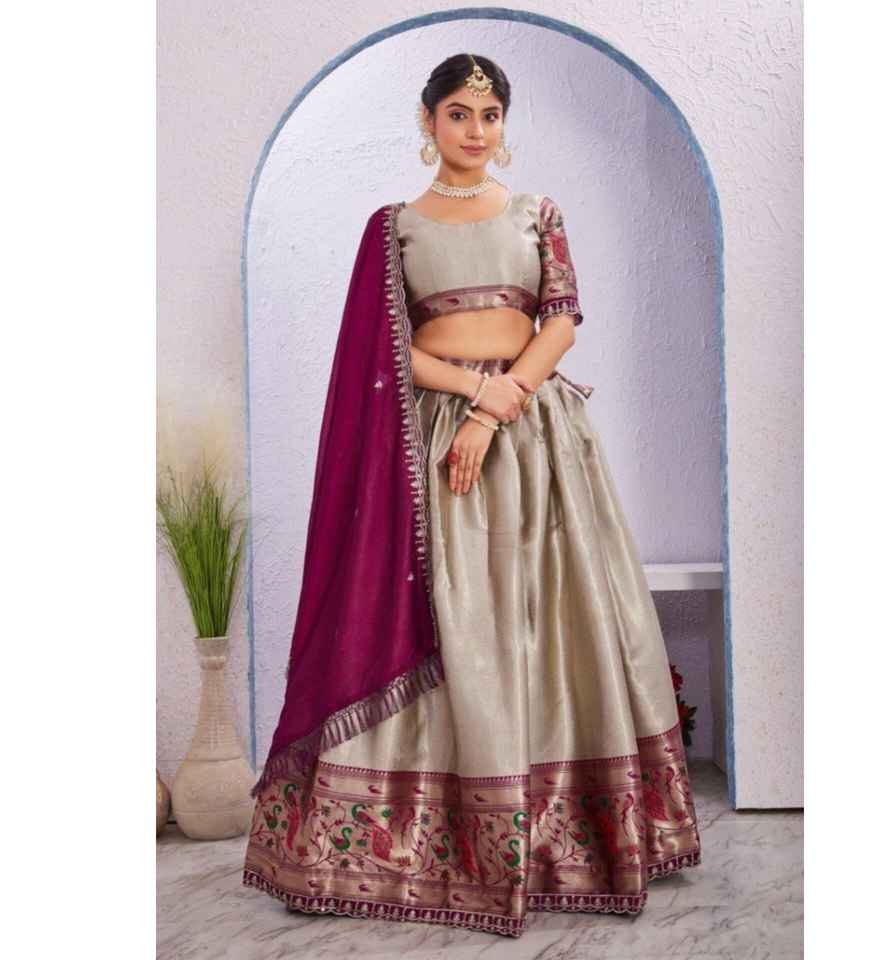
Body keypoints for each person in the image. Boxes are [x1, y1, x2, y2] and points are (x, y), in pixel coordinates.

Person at [241, 53, 702, 939]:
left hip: (535, 436)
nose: (476, 130)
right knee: (458, 618)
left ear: (503, 123)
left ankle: (562, 838)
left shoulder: (538, 214)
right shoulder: (396, 228)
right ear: (428, 122)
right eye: (458, 113)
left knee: (545, 612)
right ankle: (428, 840)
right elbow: (384, 347)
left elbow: (560, 320)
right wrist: (470, 392)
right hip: (433, 440)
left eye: (490, 115)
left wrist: (500, 404)